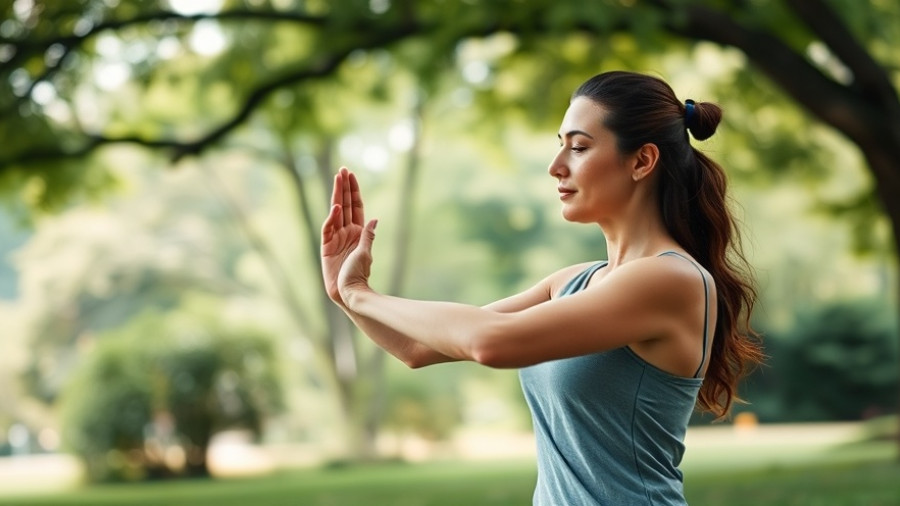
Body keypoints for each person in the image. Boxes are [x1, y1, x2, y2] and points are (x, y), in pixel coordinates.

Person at [320, 70, 763, 505]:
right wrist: (345, 294)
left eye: (579, 147)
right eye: (560, 147)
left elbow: (488, 341)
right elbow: (416, 349)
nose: (556, 167)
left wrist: (363, 293)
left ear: (642, 161)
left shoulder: (670, 278)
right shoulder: (573, 282)